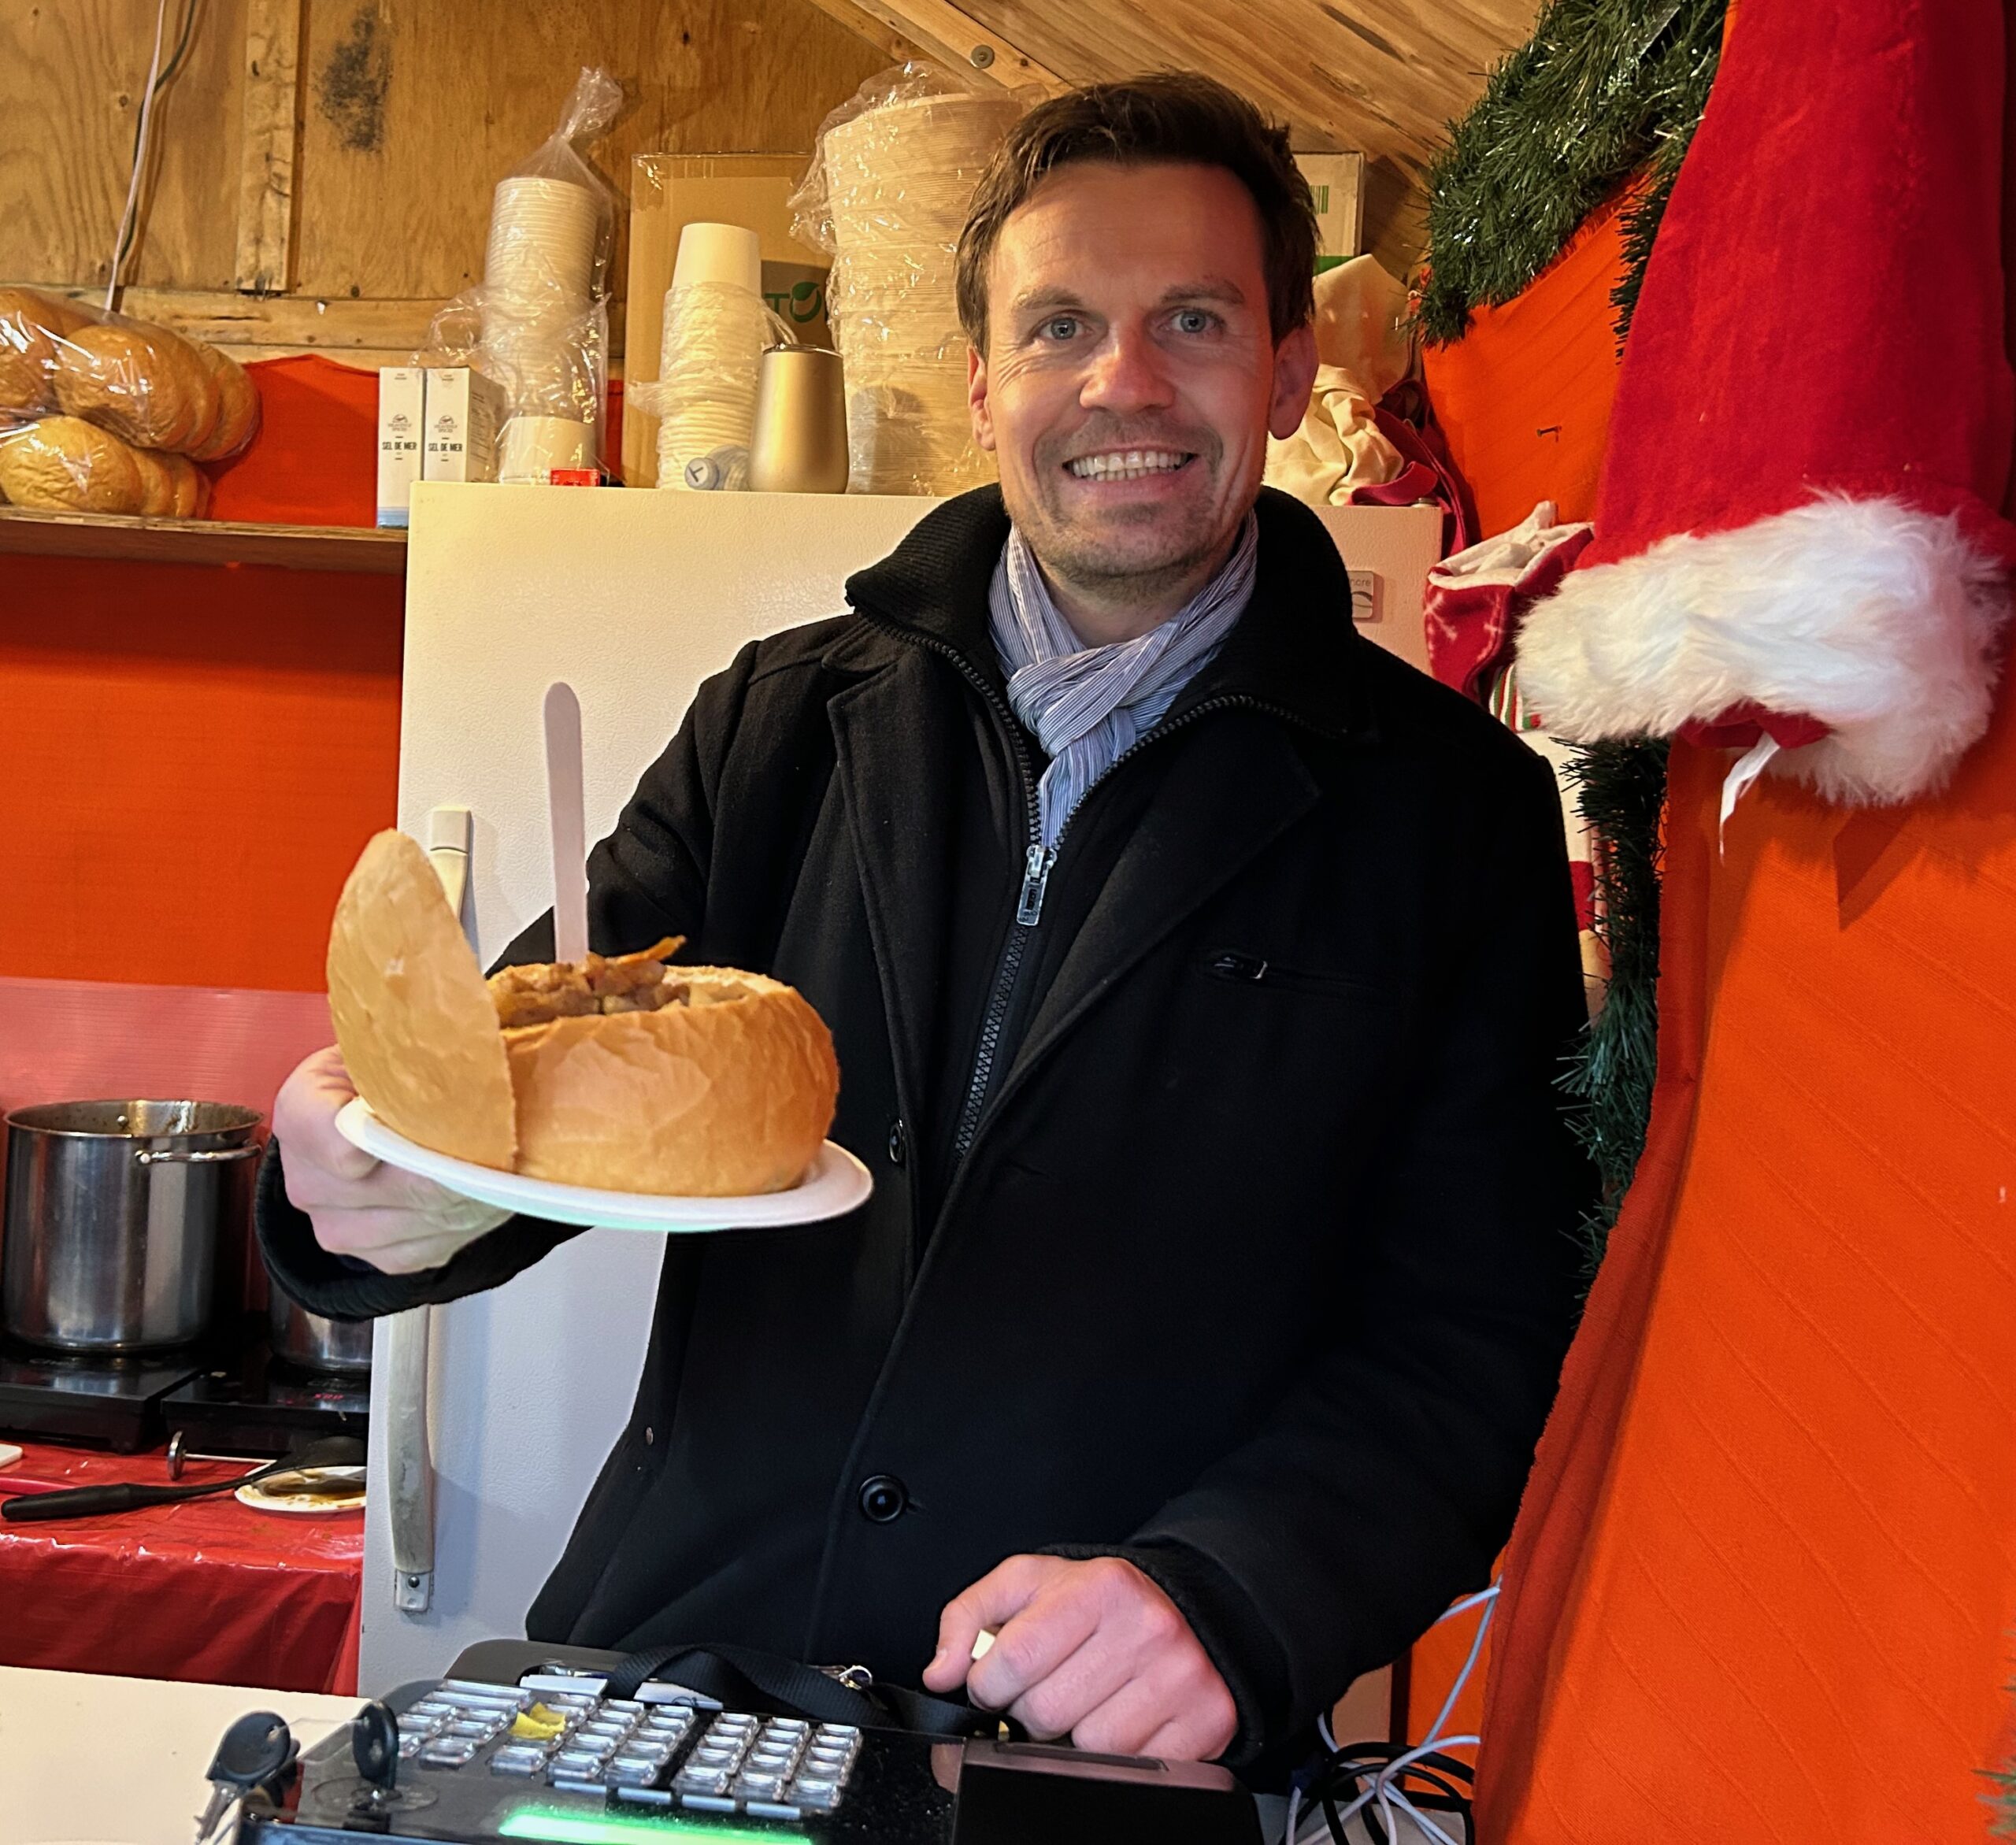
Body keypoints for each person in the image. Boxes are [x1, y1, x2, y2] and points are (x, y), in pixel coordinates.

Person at [261, 72, 1588, 1776]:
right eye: (1056, 327)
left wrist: (1239, 1592)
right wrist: (373, 1179)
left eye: (1188, 317)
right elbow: (529, 1083)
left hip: (1097, 1727)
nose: (1120, 381)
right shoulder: (779, 722)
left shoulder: (1443, 814)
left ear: (1283, 368)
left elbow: (1472, 1334)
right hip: (682, 1668)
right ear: (980, 385)